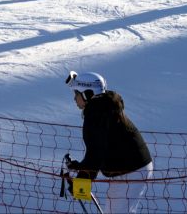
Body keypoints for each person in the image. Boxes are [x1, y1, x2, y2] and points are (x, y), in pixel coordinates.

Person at [64, 71, 153, 214]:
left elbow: (96, 154)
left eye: (76, 94)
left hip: (131, 171)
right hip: (131, 168)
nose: (74, 99)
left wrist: (80, 186)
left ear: (87, 94)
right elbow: (99, 150)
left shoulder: (96, 115)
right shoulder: (102, 109)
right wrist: (82, 167)